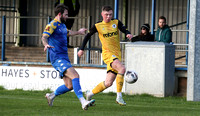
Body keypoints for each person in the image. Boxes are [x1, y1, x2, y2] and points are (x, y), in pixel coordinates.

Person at [41, 4, 95, 110]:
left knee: (69, 86)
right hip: (57, 57)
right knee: (75, 75)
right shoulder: (52, 24)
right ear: (60, 14)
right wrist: (46, 44)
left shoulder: (62, 25)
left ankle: (51, 96)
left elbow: (67, 32)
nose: (67, 16)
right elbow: (44, 36)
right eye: (66, 14)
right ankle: (83, 102)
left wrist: (79, 32)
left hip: (64, 57)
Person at [78, 5, 133, 106]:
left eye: (110, 15)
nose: (108, 17)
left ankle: (90, 94)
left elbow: (124, 29)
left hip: (117, 55)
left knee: (108, 83)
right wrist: (81, 48)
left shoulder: (116, 22)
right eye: (106, 15)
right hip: (108, 54)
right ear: (102, 14)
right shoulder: (98, 25)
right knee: (122, 69)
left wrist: (128, 34)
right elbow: (87, 36)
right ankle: (119, 96)